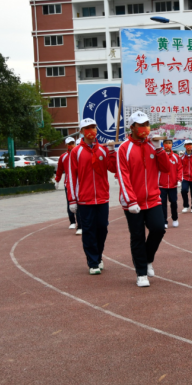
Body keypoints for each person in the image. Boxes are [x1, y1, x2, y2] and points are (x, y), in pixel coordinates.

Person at [116, 111, 170, 287]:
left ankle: (148, 260)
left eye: (147, 124)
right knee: (137, 236)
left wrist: (159, 148)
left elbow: (166, 168)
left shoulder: (152, 146)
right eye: (141, 125)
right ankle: (141, 273)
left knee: (158, 229)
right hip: (133, 202)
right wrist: (131, 201)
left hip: (153, 198)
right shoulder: (124, 148)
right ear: (132, 127)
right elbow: (123, 177)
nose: (145, 129)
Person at [67, 118, 117, 275]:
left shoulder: (103, 149)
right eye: (87, 128)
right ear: (81, 131)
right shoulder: (76, 152)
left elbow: (113, 168)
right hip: (84, 199)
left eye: (93, 127)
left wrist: (111, 151)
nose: (91, 131)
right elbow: (71, 176)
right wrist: (72, 200)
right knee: (88, 230)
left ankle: (99, 256)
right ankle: (93, 261)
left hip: (102, 197)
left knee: (102, 228)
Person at [55, 137, 82, 234]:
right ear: (66, 145)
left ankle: (80, 225)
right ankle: (72, 221)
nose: (71, 145)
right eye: (69, 143)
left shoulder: (79, 154)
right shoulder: (63, 157)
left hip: (80, 183)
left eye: (72, 143)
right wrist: (57, 180)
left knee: (80, 204)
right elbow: (59, 170)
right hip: (68, 184)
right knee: (70, 202)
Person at [159, 138, 182, 229]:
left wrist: (179, 179)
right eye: (166, 143)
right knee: (162, 203)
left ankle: (175, 219)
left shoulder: (176, 157)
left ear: (172, 145)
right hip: (162, 184)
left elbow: (179, 169)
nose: (168, 145)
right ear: (163, 144)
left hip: (173, 184)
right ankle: (164, 221)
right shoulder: (160, 156)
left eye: (169, 143)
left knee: (173, 202)